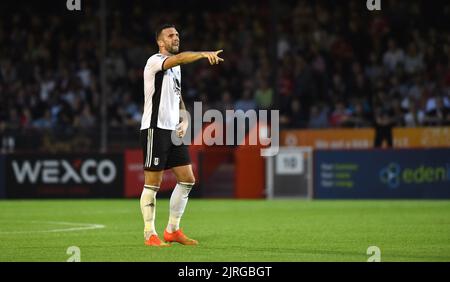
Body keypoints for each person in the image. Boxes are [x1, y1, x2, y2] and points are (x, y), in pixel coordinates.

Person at [140, 24, 224, 247]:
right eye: (170, 35)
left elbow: (177, 95)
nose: (176, 37)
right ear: (160, 42)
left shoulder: (176, 68)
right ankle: (150, 234)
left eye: (177, 34)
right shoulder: (155, 60)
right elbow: (179, 59)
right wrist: (202, 54)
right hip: (154, 128)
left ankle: (172, 230)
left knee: (187, 180)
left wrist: (184, 118)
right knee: (153, 184)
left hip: (173, 130)